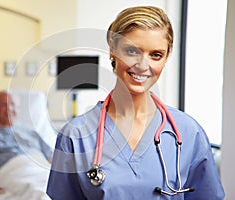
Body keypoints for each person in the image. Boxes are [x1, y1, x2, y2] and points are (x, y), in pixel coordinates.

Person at [46, 6, 225, 199]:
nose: (142, 66)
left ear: (166, 57)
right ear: (112, 48)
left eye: (156, 55)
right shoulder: (75, 136)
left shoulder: (188, 133)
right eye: (131, 51)